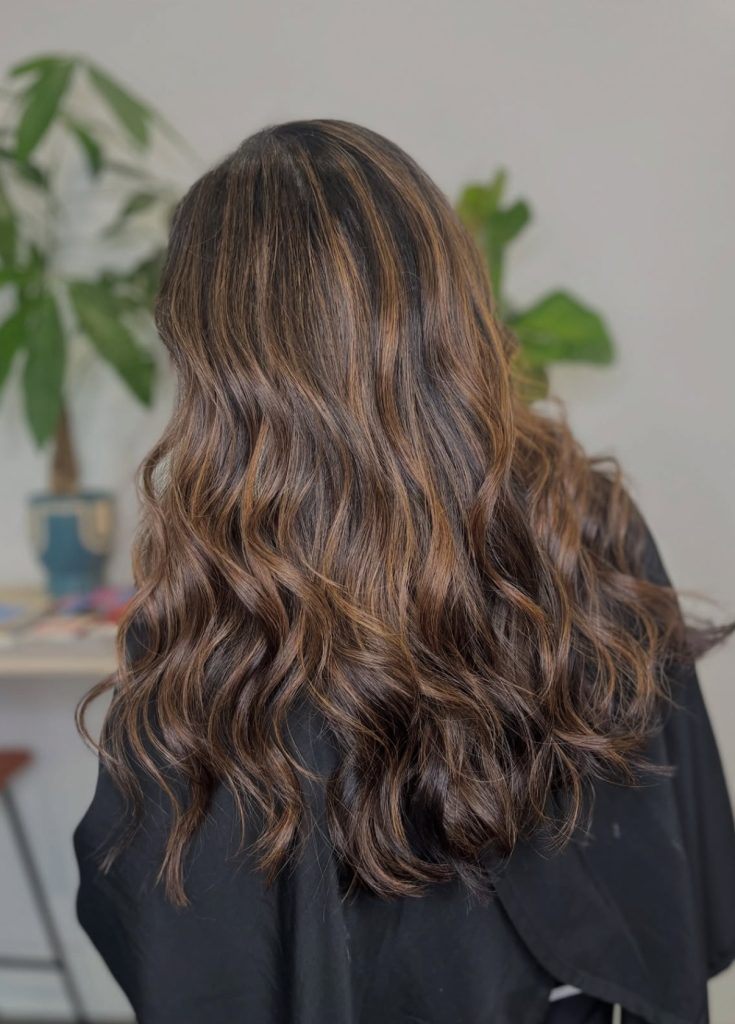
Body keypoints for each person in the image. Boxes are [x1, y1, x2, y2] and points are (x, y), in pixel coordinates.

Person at [73, 119, 735, 1024]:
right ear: (444, 300)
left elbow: (179, 951)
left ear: (219, 362)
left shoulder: (226, 611)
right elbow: (680, 865)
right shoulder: (578, 513)